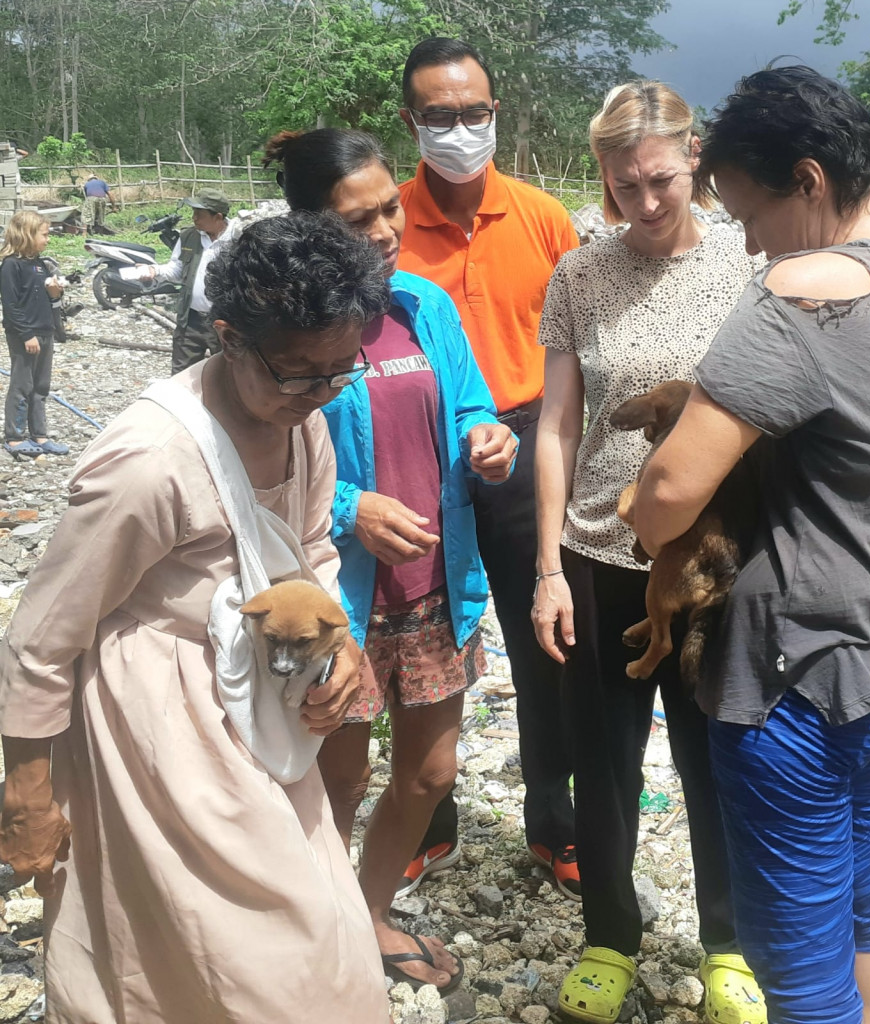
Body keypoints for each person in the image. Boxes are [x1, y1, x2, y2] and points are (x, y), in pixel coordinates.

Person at [631, 66, 870, 1024]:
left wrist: (646, 524)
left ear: (810, 179)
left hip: (792, 668)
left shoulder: (800, 293)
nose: (748, 244)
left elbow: (666, 494)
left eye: (751, 215)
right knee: (864, 854)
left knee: (792, 937)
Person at [0, 211, 394, 1024]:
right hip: (154, 723)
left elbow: (309, 549)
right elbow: (42, 640)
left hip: (258, 711)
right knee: (192, 944)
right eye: (295, 373)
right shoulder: (149, 461)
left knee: (313, 929)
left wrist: (341, 646)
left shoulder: (303, 421)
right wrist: (28, 795)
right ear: (228, 337)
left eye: (338, 371)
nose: (317, 392)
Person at [531, 81, 766, 1024]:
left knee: (716, 756)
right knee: (605, 759)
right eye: (623, 185)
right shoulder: (580, 276)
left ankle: (727, 942)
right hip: (601, 552)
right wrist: (548, 564)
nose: (645, 201)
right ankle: (609, 936)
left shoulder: (749, 269)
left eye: (660, 178)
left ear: (693, 155)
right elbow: (556, 426)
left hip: (718, 563)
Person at [264, 126, 517, 991]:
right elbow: (259, 467)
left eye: (389, 208)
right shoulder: (292, 332)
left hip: (438, 584)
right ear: (309, 226)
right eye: (356, 218)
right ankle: (317, 927)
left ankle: (366, 912)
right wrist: (349, 508)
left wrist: (483, 436)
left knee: (431, 772)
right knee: (336, 775)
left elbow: (469, 402)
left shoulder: (422, 307)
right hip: (340, 594)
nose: (383, 230)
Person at [396, 36, 581, 898]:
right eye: (439, 115)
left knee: (548, 636)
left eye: (474, 113)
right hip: (421, 455)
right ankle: (423, 820)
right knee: (420, 638)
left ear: (496, 113)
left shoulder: (543, 217)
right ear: (411, 121)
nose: (459, 129)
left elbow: (583, 345)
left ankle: (555, 822)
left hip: (527, 439)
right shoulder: (384, 222)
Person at [135, 188, 230, 375]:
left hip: (227, 322)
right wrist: (155, 270)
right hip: (191, 318)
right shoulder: (189, 236)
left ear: (218, 217)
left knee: (230, 373)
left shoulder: (238, 238)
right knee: (181, 372)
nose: (194, 218)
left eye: (199, 214)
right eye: (193, 213)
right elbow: (176, 269)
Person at [0, 211, 70, 457]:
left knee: (41, 386)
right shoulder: (11, 265)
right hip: (24, 335)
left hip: (45, 330)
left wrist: (55, 293)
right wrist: (26, 334)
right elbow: (11, 306)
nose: (47, 239)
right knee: (22, 384)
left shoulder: (39, 264)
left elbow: (51, 301)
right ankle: (15, 437)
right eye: (44, 234)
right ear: (27, 235)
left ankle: (39, 434)